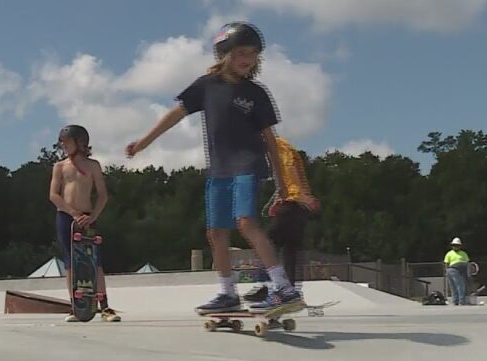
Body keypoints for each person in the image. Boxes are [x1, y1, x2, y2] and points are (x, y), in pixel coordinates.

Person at [126, 22, 301, 314]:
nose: (247, 60)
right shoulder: (206, 87)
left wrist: (282, 181)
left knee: (245, 222)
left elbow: (270, 140)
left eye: (253, 55)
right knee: (216, 231)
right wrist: (144, 142)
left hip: (248, 164)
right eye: (241, 53)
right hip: (219, 169)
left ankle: (284, 288)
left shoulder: (256, 93)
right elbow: (175, 114)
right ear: (224, 54)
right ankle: (227, 292)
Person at [49, 124, 120, 322]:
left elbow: (103, 195)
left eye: (66, 141)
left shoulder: (93, 165)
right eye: (61, 142)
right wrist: (72, 212)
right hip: (66, 217)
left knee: (95, 261)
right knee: (70, 262)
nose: (63, 145)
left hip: (88, 217)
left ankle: (104, 306)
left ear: (80, 142)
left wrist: (93, 216)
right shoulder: (60, 166)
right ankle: (76, 306)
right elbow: (53, 195)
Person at [244, 136, 320, 302]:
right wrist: (279, 199)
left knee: (266, 242)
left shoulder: (277, 146)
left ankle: (264, 285)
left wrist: (298, 196)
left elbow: (289, 168)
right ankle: (289, 292)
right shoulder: (279, 147)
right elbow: (284, 179)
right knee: (290, 249)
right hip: (298, 206)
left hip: (294, 203)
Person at [444, 237, 470, 306]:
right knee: (458, 285)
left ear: (460, 246)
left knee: (458, 285)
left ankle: (457, 301)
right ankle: (460, 301)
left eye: (457, 245)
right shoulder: (449, 254)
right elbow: (446, 263)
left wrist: (468, 273)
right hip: (452, 269)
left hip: (460, 269)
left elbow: (467, 263)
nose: (455, 247)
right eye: (454, 245)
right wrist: (446, 271)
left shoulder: (463, 253)